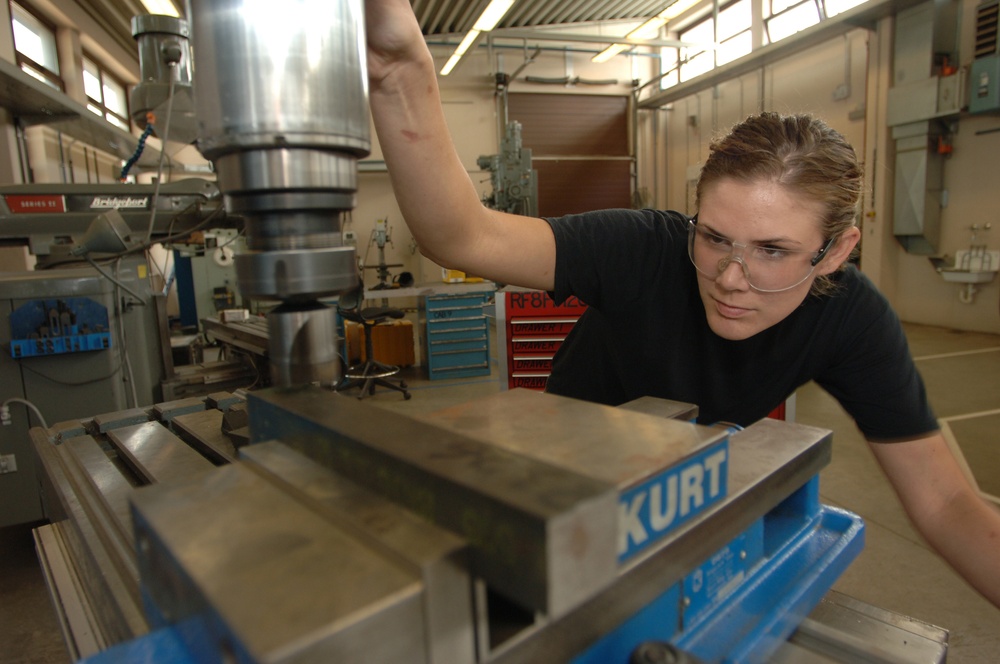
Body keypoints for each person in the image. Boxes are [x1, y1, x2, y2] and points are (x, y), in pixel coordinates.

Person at [363, 0, 1000, 609]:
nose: (731, 276)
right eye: (714, 237)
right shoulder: (645, 249)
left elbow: (947, 504)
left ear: (835, 253)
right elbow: (462, 236)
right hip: (561, 479)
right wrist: (401, 74)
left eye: (773, 250)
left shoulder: (851, 319)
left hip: (683, 484)